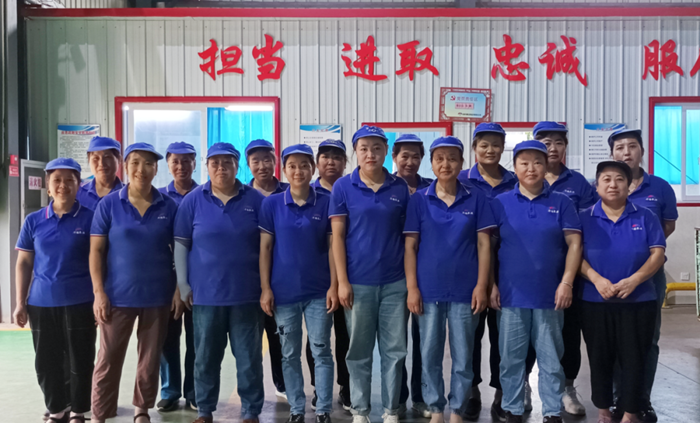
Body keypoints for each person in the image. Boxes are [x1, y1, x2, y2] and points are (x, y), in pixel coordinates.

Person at [490, 140, 582, 423]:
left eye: (538, 162)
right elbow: (487, 248)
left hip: (550, 296)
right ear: (515, 167)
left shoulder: (562, 203)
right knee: (511, 358)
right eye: (524, 163)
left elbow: (575, 244)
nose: (531, 169)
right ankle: (513, 408)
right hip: (511, 296)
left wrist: (566, 283)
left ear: (546, 166)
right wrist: (491, 284)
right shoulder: (500, 203)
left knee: (551, 359)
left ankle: (552, 411)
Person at [404, 136, 494, 423]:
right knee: (429, 354)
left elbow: (484, 245)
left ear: (462, 163)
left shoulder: (476, 198)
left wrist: (482, 285)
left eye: (452, 158)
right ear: (431, 163)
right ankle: (435, 409)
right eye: (439, 158)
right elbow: (410, 247)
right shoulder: (419, 199)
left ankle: (457, 409)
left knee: (464, 356)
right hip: (428, 290)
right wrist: (412, 288)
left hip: (466, 291)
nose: (446, 164)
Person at [175, 143, 265, 423]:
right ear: (207, 166)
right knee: (205, 357)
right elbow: (181, 243)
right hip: (205, 296)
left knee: (249, 358)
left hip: (247, 295)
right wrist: (182, 283)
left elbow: (267, 245)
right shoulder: (193, 200)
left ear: (237, 166)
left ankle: (251, 410)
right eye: (215, 163)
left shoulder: (256, 200)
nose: (221, 168)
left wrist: (266, 286)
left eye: (227, 162)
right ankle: (204, 409)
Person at [90, 143, 180, 423]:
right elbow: (96, 251)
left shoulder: (169, 206)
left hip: (158, 296)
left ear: (156, 169)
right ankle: (101, 412)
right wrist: (99, 293)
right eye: (136, 163)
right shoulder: (109, 204)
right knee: (108, 358)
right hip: (117, 297)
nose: (142, 169)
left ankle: (142, 409)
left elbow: (180, 251)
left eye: (149, 164)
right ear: (126, 166)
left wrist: (179, 288)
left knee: (150, 358)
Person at [330, 125, 410, 423]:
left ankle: (391, 409)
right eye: (364, 148)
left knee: (395, 351)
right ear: (355, 152)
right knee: (358, 351)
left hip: (395, 283)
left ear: (386, 151)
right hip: (358, 283)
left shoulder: (400, 188)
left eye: (377, 148)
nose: (370, 154)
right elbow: (337, 238)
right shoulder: (343, 187)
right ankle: (360, 409)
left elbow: (408, 237)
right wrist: (342, 281)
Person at [579, 160, 666, 423]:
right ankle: (604, 411)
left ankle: (630, 412)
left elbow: (657, 254)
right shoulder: (583, 217)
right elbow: (574, 255)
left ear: (629, 186)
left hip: (639, 300)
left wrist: (635, 280)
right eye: (606, 179)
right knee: (599, 357)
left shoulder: (645, 216)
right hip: (595, 299)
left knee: (634, 357)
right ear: (596, 186)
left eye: (619, 179)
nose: (613, 184)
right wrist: (596, 279)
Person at [522, 121, 598, 416]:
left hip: (569, 271)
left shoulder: (577, 183)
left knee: (568, 331)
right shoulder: (521, 180)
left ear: (565, 146)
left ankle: (567, 387)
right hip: (528, 271)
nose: (552, 148)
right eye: (545, 142)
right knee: (525, 331)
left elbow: (587, 227)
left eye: (558, 142)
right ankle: (523, 386)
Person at [13, 158, 96, 423]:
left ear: (78, 185)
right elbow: (24, 263)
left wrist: (100, 297)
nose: (63, 185)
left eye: (69, 180)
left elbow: (100, 261)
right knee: (46, 361)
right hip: (41, 302)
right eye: (56, 180)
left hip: (81, 301)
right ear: (48, 186)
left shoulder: (91, 218)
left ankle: (79, 410)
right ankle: (57, 409)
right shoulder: (34, 221)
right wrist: (20, 302)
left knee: (80, 359)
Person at [260, 144, 338, 423]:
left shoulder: (326, 202)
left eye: (304, 165)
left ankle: (323, 408)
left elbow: (333, 247)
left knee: (321, 350)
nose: (298, 171)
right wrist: (266, 288)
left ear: (313, 169)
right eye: (292, 166)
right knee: (289, 353)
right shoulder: (272, 204)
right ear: (284, 170)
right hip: (284, 293)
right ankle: (296, 409)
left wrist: (334, 286)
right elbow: (265, 248)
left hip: (319, 292)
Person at [608, 128, 677, 423]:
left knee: (647, 340)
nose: (626, 152)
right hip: (610, 279)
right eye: (620, 147)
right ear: (612, 154)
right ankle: (618, 399)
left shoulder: (659, 187)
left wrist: (643, 253)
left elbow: (668, 226)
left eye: (632, 146)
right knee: (613, 340)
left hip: (649, 278)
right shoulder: (603, 185)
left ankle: (641, 400)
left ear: (642, 151)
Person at [457, 122, 516, 422]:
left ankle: (503, 393)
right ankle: (471, 392)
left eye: (496, 144)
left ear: (503, 148)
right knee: (469, 334)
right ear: (474, 148)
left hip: (509, 268)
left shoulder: (515, 181)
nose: (490, 150)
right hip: (471, 267)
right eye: (484, 145)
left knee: (504, 336)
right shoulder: (462, 180)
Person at [307, 138, 352, 411]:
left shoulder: (351, 191)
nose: (331, 162)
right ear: (317, 163)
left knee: (346, 336)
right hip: (317, 280)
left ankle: (347, 388)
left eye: (337, 157)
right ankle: (319, 389)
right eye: (325, 157)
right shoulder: (307, 193)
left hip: (348, 277)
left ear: (345, 162)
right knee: (317, 339)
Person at [391, 133, 432, 418]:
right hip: (392, 274)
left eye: (416, 156)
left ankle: (420, 396)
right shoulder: (387, 186)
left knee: (423, 340)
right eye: (404, 156)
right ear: (394, 157)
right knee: (396, 342)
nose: (410, 161)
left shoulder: (431, 188)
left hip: (424, 276)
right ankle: (397, 397)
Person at [157, 142, 199, 412]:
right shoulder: (159, 198)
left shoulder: (205, 194)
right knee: (167, 339)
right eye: (175, 161)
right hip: (166, 280)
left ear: (195, 163)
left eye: (186, 161)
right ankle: (170, 391)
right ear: (168, 164)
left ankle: (194, 391)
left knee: (197, 339)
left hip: (198, 280)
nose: (181, 166)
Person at [246, 138, 288, 399]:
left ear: (275, 162)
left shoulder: (289, 191)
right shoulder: (243, 195)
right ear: (248, 165)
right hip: (248, 277)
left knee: (279, 335)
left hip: (281, 277)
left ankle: (282, 384)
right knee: (249, 339)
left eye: (267, 160)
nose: (262, 166)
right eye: (255, 161)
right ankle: (252, 392)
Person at [76, 136, 124, 211]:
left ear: (119, 160)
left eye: (107, 157)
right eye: (96, 158)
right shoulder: (77, 193)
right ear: (89, 161)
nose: (101, 163)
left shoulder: (127, 194)